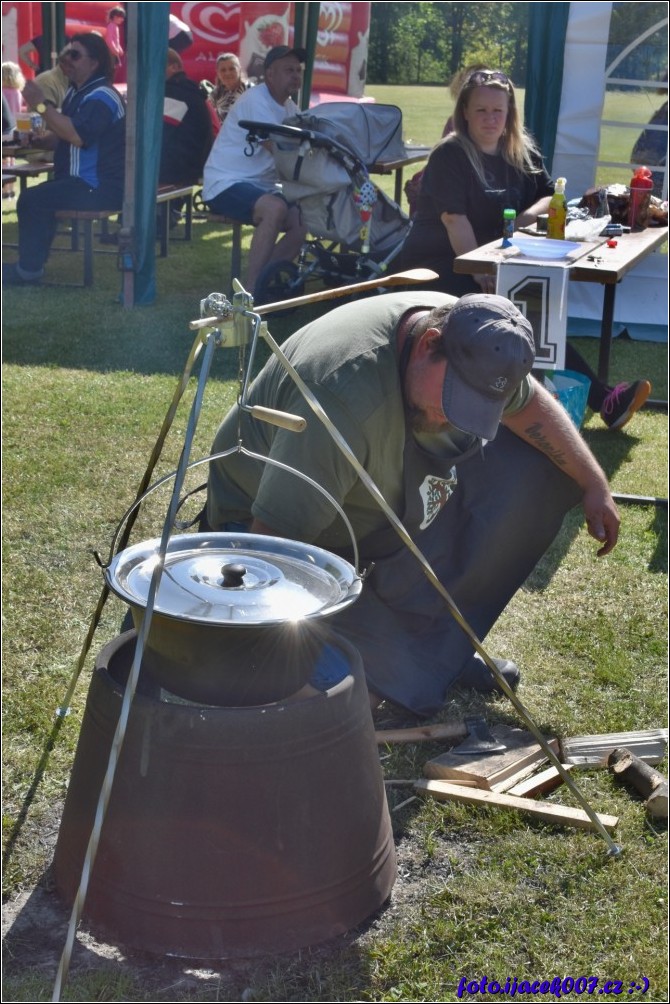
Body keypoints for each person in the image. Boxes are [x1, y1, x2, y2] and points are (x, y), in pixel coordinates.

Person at [204, 291, 620, 718]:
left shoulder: (479, 349)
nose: (454, 418)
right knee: (345, 697)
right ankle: (384, 654)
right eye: (455, 399)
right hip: (278, 526)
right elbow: (270, 550)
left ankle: (433, 653)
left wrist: (593, 482)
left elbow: (529, 406)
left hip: (377, 497)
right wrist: (278, 676)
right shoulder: (340, 398)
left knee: (536, 462)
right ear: (427, 344)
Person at [399, 68, 652, 432]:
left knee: (534, 308)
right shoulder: (450, 155)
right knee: (520, 316)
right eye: (481, 110)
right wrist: (480, 272)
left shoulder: (518, 151)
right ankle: (593, 401)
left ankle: (587, 400)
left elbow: (550, 193)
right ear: (464, 113)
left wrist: (523, 218)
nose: (490, 118)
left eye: (497, 111)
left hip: (493, 263)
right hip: (440, 267)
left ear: (509, 114)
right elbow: (456, 221)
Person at [3, 33, 126, 287]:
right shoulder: (79, 91)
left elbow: (77, 135)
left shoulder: (102, 95)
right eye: (65, 53)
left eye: (75, 55)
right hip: (82, 182)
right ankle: (31, 265)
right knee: (38, 199)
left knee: (31, 199)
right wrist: (39, 141)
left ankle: (28, 270)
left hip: (98, 186)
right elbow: (64, 135)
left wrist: (39, 104)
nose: (66, 59)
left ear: (94, 63)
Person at [202, 45, 308, 298]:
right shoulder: (256, 101)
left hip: (260, 186)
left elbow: (304, 150)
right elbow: (279, 151)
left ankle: (264, 282)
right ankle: (249, 293)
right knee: (275, 208)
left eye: (298, 70)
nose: (295, 75)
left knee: (305, 219)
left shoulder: (291, 108)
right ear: (269, 74)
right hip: (225, 183)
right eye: (288, 70)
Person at [160, 48, 213, 187]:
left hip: (175, 176)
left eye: (158, 66)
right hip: (191, 171)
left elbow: (158, 135)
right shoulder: (188, 90)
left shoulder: (175, 91)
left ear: (175, 67)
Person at [209, 52, 249, 126]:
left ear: (239, 69)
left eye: (232, 69)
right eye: (223, 70)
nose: (227, 73)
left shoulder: (250, 90)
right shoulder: (215, 94)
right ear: (217, 72)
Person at [105, 6, 126, 83]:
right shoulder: (111, 26)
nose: (122, 20)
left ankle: (110, 83)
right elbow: (109, 40)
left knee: (114, 68)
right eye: (121, 17)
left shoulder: (115, 26)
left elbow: (116, 40)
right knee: (110, 68)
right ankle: (108, 83)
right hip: (111, 51)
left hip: (114, 51)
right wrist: (115, 49)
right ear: (115, 17)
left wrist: (119, 48)